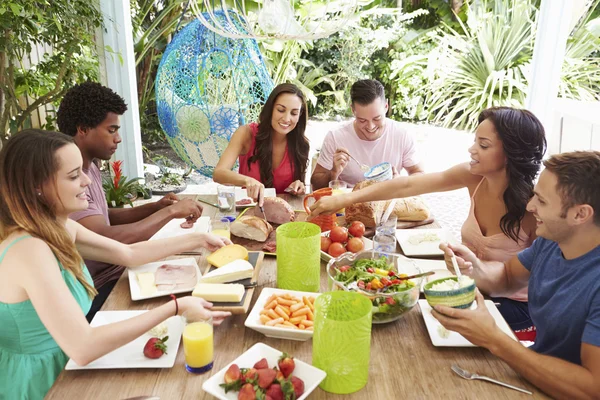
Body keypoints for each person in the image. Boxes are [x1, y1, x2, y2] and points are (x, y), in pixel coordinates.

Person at [0, 130, 232, 400]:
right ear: (36, 187)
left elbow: (129, 254)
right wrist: (176, 307)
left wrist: (199, 238)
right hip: (44, 383)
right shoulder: (30, 249)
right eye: (74, 175)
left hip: (72, 367)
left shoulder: (58, 226)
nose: (87, 181)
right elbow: (83, 346)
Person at [310, 107, 547, 336]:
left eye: (483, 145)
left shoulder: (536, 211)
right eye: (475, 141)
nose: (472, 149)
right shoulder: (474, 177)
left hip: (512, 307)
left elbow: (538, 279)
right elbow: (407, 184)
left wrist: (475, 271)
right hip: (468, 287)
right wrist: (347, 198)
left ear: (512, 154)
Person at [433, 151, 600, 397]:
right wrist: (474, 266)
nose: (529, 206)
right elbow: (508, 279)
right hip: (533, 375)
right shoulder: (552, 241)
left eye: (542, 201)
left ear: (580, 214)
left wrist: (495, 339)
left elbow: (592, 388)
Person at [57, 82, 204, 319]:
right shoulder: (66, 183)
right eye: (112, 130)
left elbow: (103, 216)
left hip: (120, 271)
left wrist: (153, 208)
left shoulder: (90, 166)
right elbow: (107, 238)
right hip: (99, 291)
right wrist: (169, 213)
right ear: (83, 129)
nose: (118, 139)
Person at [310, 79, 424, 189]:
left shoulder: (402, 134)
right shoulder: (336, 137)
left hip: (388, 202)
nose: (371, 127)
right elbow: (315, 185)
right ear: (353, 111)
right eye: (362, 120)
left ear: (386, 107)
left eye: (377, 118)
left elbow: (419, 174)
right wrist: (333, 173)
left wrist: (400, 183)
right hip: (349, 204)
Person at [213, 83, 310, 205]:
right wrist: (247, 181)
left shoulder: (301, 145)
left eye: (294, 113)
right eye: (281, 110)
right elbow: (219, 173)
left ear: (299, 116)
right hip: (249, 211)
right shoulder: (245, 133)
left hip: (285, 213)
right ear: (270, 109)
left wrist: (298, 186)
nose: (286, 118)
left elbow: (298, 187)